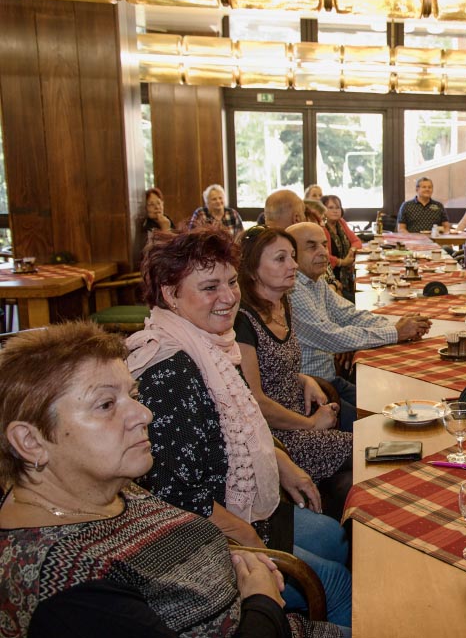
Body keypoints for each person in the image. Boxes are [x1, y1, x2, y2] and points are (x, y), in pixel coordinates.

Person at [0, 321, 340, 638]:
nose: (144, 414)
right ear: (30, 442)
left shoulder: (99, 485)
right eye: (105, 405)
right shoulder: (68, 588)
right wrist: (262, 601)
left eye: (133, 396)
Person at [127, 228, 352, 627]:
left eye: (231, 282)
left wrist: (283, 463)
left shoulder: (212, 344)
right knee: (336, 581)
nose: (229, 297)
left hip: (239, 503)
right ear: (170, 294)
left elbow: (249, 419)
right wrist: (249, 540)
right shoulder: (168, 370)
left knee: (337, 538)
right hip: (204, 536)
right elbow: (175, 494)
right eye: (209, 287)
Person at [235, 225, 355, 479]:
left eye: (292, 256)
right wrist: (311, 424)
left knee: (381, 442)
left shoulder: (282, 303)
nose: (294, 265)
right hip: (278, 436)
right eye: (281, 259)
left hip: (300, 413)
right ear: (252, 269)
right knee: (374, 448)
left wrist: (305, 380)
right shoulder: (242, 321)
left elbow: (273, 368)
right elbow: (255, 401)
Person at [286, 222, 431, 385]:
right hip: (313, 389)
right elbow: (333, 337)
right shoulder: (293, 290)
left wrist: (399, 326)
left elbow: (349, 315)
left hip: (328, 378)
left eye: (324, 245)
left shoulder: (314, 280)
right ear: (292, 255)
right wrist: (396, 332)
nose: (323, 252)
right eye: (312, 247)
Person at [320, 194, 362, 299]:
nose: (335, 211)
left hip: (347, 277)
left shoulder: (341, 223)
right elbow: (323, 256)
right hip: (331, 279)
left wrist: (352, 250)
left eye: (338, 207)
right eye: (331, 207)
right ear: (322, 210)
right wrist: (342, 262)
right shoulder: (321, 228)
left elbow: (356, 241)